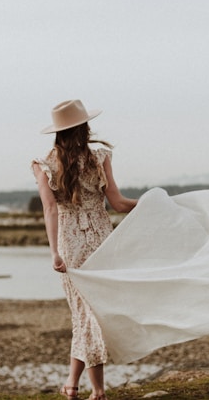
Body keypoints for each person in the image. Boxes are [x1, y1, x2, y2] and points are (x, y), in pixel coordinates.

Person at [32, 99, 138, 400]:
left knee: (86, 314)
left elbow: (50, 210)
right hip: (102, 239)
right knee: (90, 314)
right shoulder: (99, 157)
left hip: (71, 244)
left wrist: (54, 251)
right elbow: (117, 204)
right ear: (84, 127)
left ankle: (79, 385)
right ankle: (93, 388)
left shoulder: (45, 165)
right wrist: (146, 204)